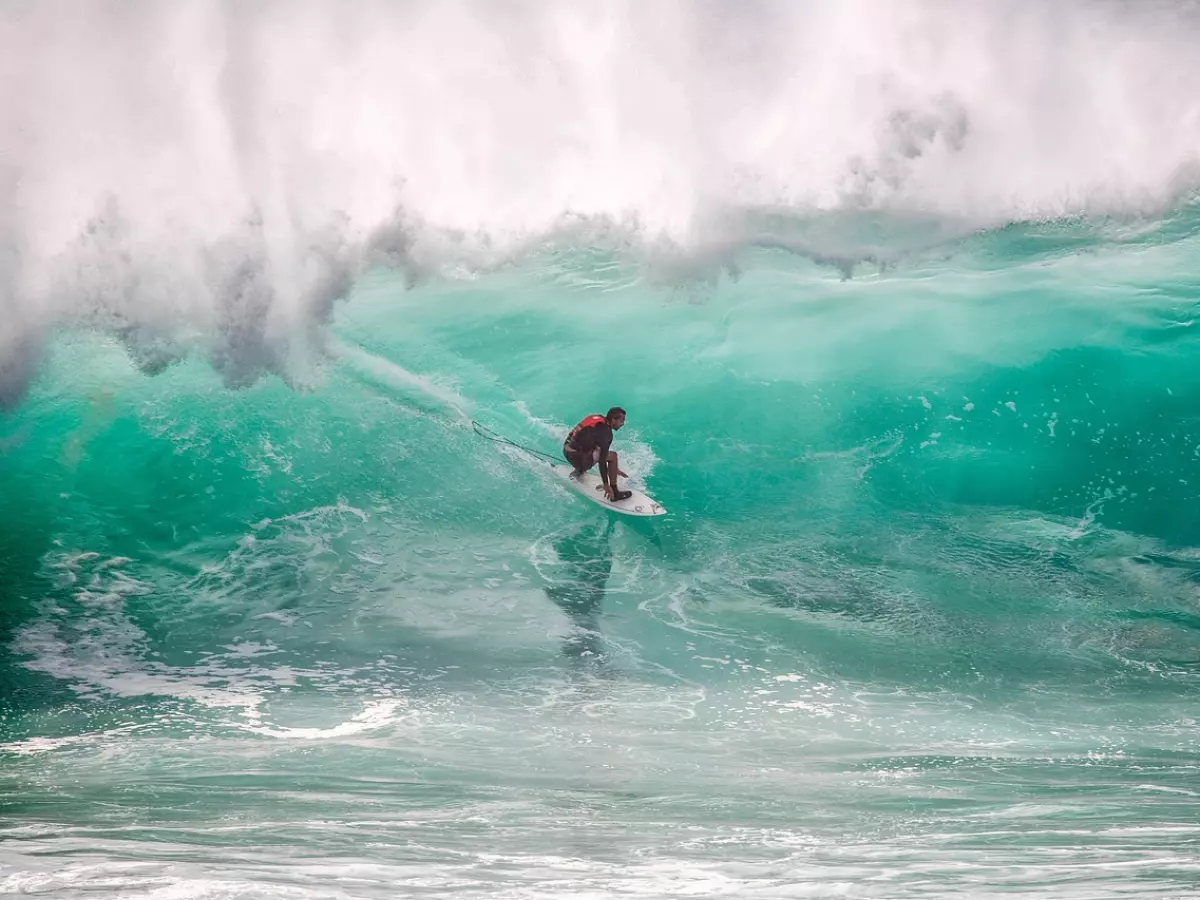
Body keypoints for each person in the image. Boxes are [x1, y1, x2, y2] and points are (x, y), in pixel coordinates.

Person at [563, 406, 631, 501]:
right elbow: (602, 461)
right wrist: (606, 485)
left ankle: (579, 470)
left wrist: (614, 468)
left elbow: (583, 438)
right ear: (613, 419)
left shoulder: (597, 419)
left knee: (595, 448)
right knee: (613, 456)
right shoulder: (606, 433)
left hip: (566, 450)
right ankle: (615, 493)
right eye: (621, 420)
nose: (623, 424)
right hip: (577, 458)